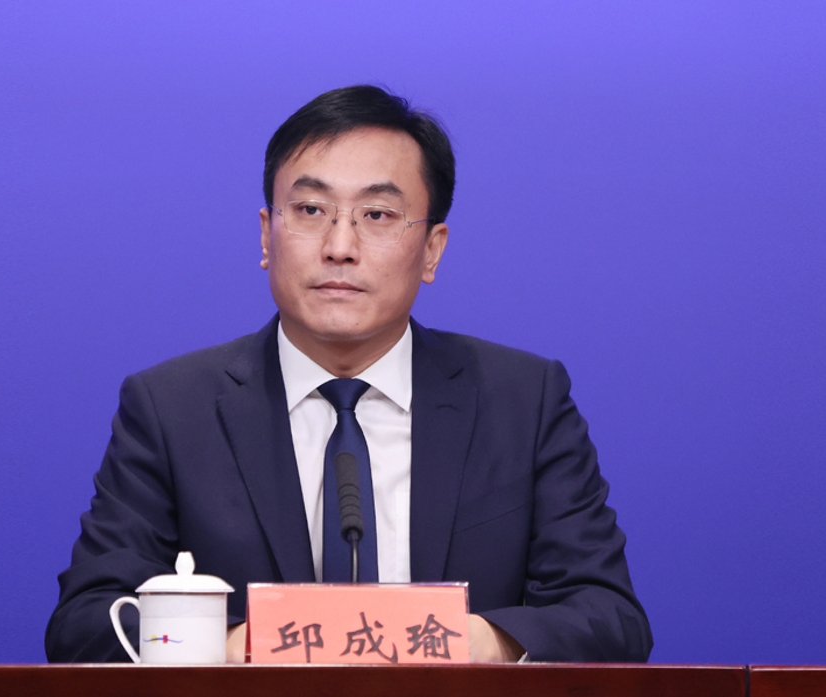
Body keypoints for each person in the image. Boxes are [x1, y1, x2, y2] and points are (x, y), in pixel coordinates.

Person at [45, 85, 653, 663]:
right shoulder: (172, 409)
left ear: (432, 249)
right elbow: (85, 624)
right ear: (266, 236)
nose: (340, 245)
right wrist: (237, 648)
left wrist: (475, 642)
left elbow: (610, 616)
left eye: (378, 215)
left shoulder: (523, 401)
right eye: (311, 209)